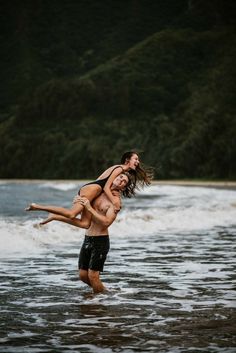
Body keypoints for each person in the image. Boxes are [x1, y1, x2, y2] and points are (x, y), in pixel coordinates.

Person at [46, 173, 131, 294]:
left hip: (100, 241)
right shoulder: (97, 192)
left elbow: (106, 222)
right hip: (87, 238)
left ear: (123, 188)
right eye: (120, 177)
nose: (121, 180)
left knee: (93, 276)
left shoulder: (115, 202)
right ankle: (105, 293)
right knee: (82, 275)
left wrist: (89, 208)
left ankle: (98, 302)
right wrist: (78, 200)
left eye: (124, 182)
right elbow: (82, 205)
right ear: (114, 177)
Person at [25, 151, 153, 226]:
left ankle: (54, 216)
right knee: (71, 214)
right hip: (90, 190)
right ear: (127, 160)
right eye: (135, 159)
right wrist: (114, 202)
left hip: (92, 191)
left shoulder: (120, 170)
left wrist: (95, 198)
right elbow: (107, 187)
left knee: (85, 224)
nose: (138, 161)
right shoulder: (119, 168)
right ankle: (37, 206)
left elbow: (103, 183)